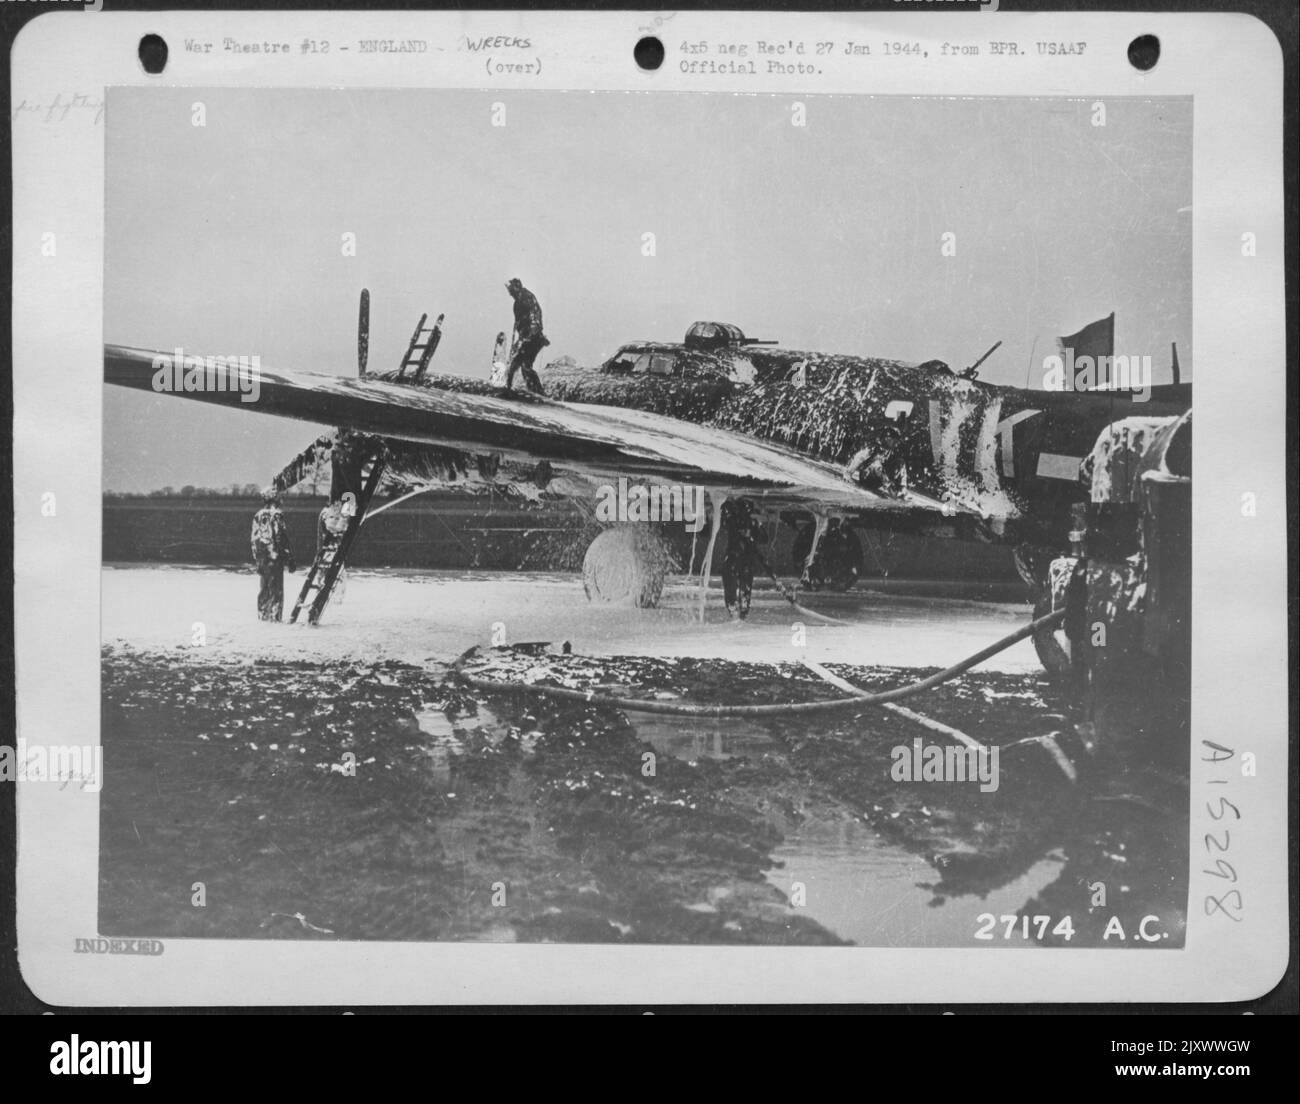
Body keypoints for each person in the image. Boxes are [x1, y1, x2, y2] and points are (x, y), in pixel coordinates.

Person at [250, 490, 295, 621]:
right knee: (276, 591)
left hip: (262, 559)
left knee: (264, 589)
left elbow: (254, 539)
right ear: (275, 499)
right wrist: (289, 558)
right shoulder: (277, 515)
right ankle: (275, 619)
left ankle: (263, 616)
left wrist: (258, 559)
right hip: (275, 558)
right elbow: (281, 537)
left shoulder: (258, 515)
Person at [504, 277, 549, 393]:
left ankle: (536, 391)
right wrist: (517, 341)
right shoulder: (517, 302)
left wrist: (533, 332)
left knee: (522, 365)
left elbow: (535, 314)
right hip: (526, 337)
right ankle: (511, 387)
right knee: (518, 364)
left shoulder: (527, 297)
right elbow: (518, 323)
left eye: (511, 291)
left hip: (533, 338)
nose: (510, 294)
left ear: (516, 288)